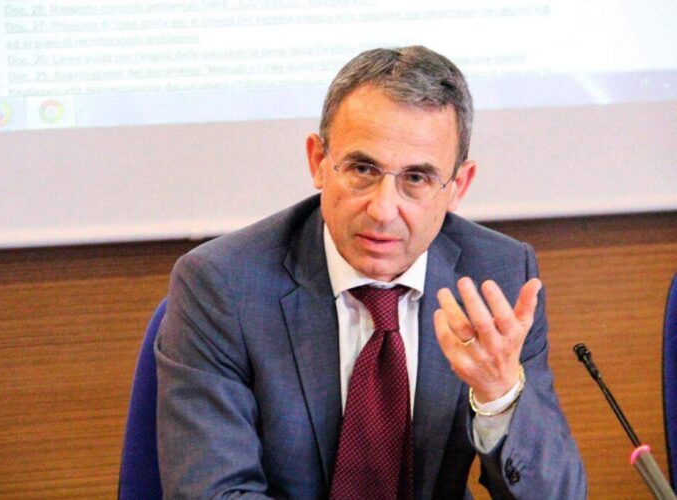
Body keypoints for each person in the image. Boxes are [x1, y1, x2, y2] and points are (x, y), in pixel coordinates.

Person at [155, 46, 586, 499]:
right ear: (318, 161)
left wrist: (500, 394)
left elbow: (558, 495)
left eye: (416, 179)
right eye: (363, 169)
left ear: (458, 186)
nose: (383, 210)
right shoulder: (223, 286)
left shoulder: (497, 279)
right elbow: (213, 493)